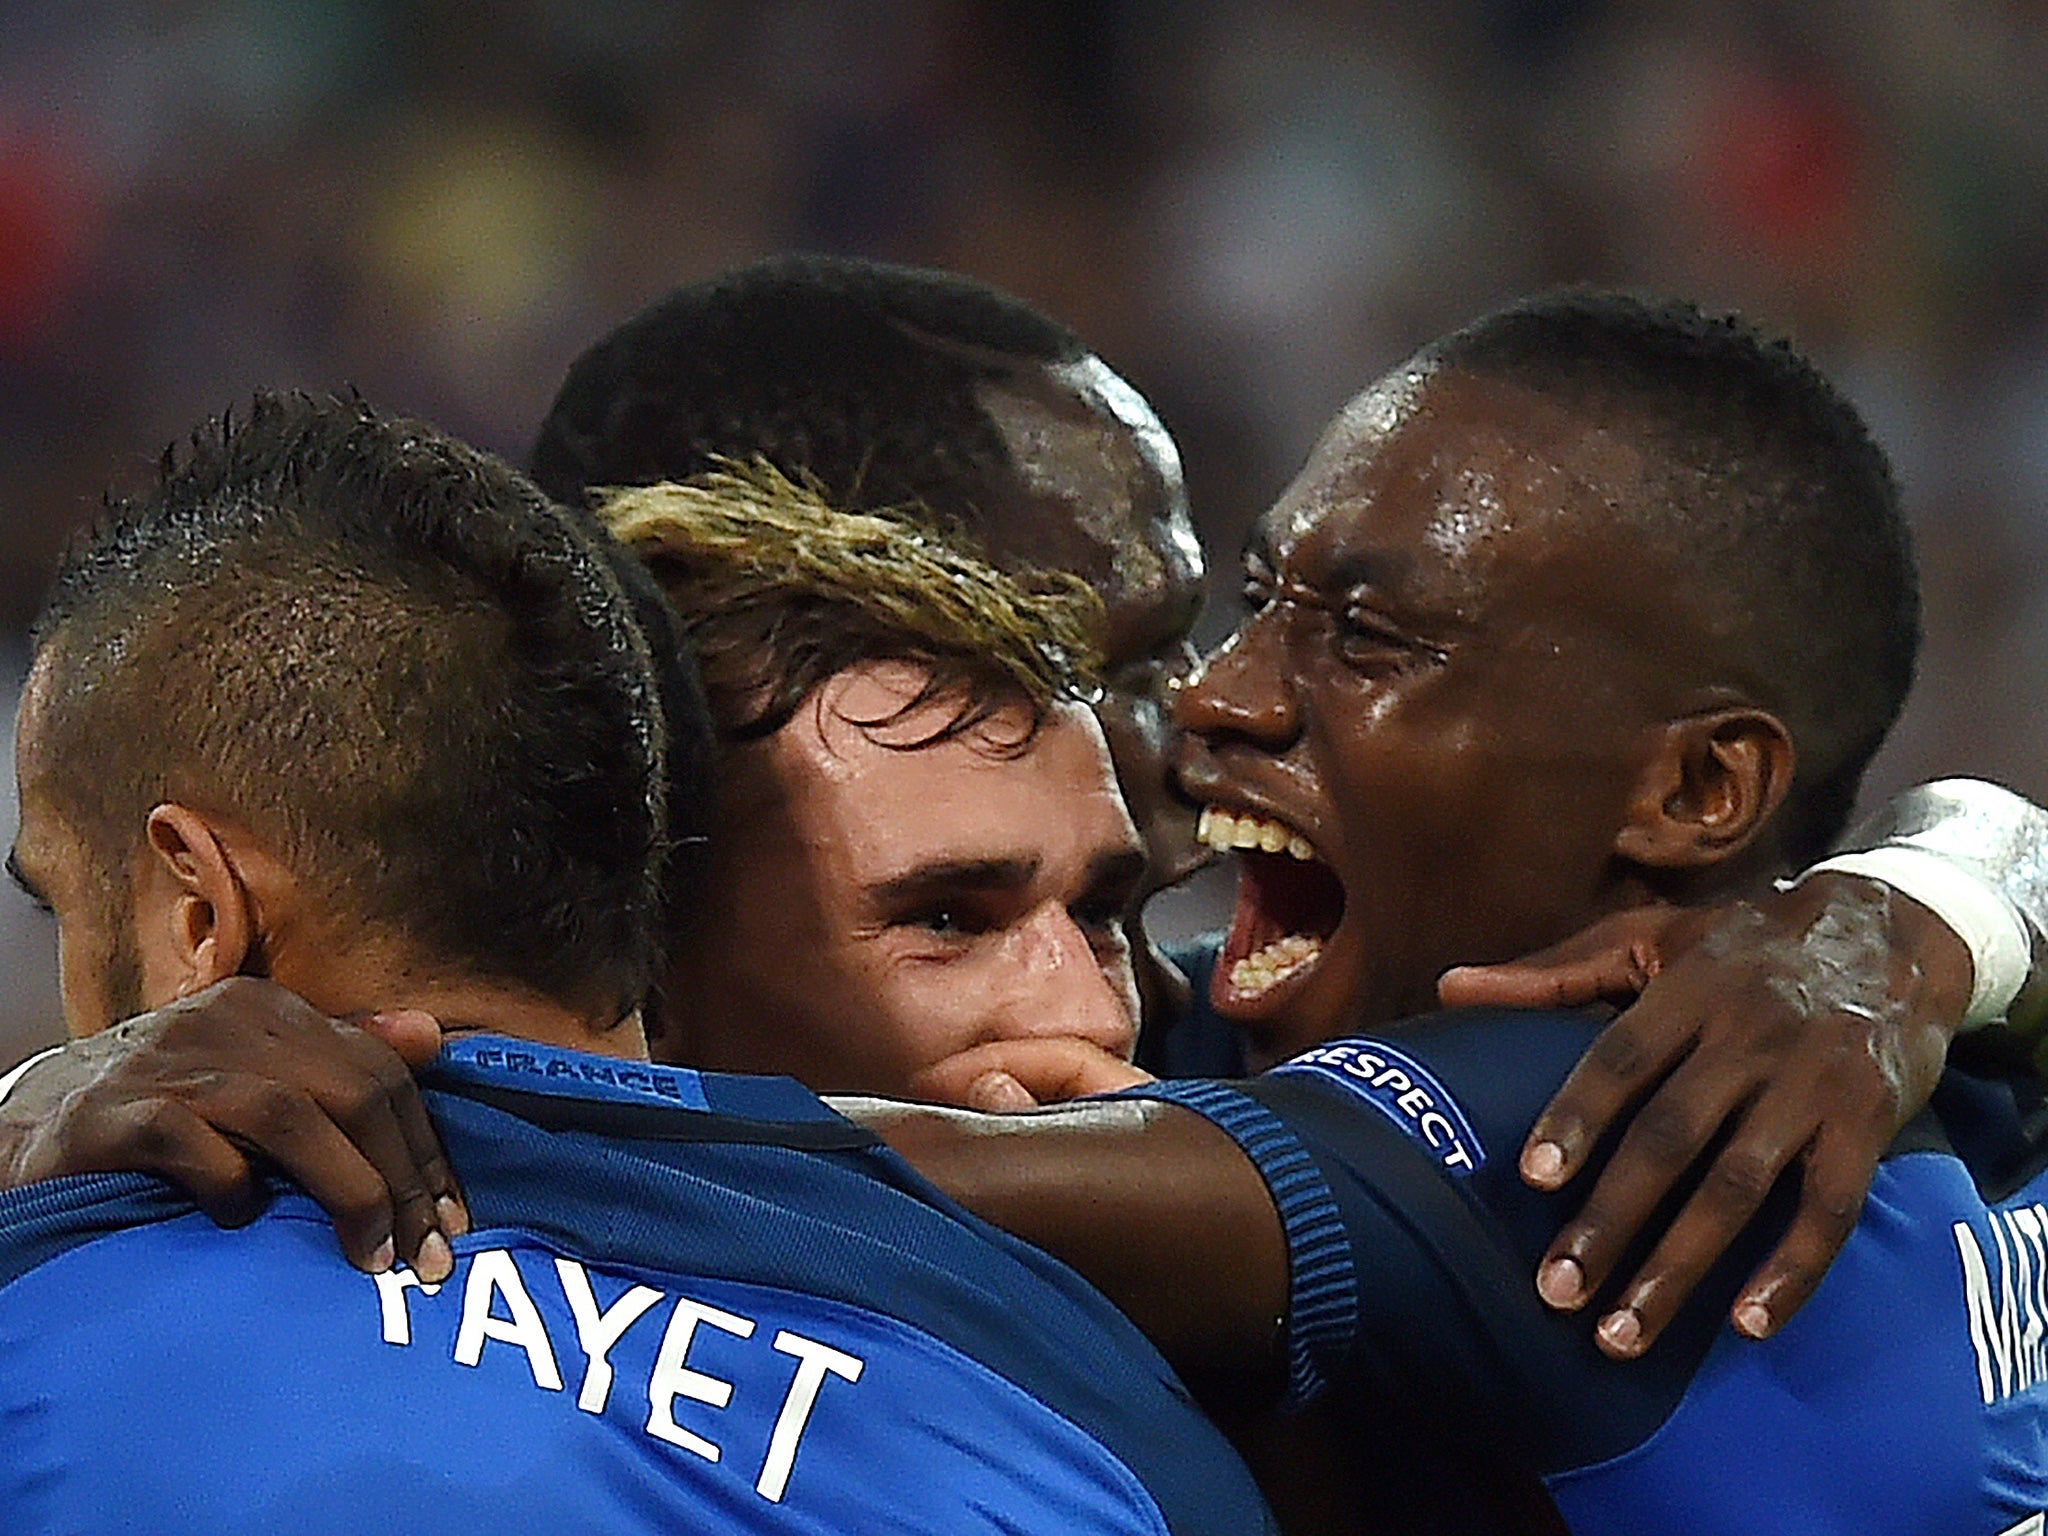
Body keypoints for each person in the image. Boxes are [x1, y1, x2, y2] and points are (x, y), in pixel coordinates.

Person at [867, 292, 2048, 1532]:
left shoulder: (1598, 1123)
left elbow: (855, 1191)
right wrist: (1950, 887)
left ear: (1696, 788)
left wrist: (642, 1069)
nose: (1216, 694)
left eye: (1368, 638)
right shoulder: (1937, 1049)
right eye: (1258, 595)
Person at [0, 393, 1271, 1534]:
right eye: (944, 917)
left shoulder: (44, 1343)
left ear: (195, 917)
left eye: (1106, 909)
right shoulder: (1092, 1419)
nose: (1084, 1009)